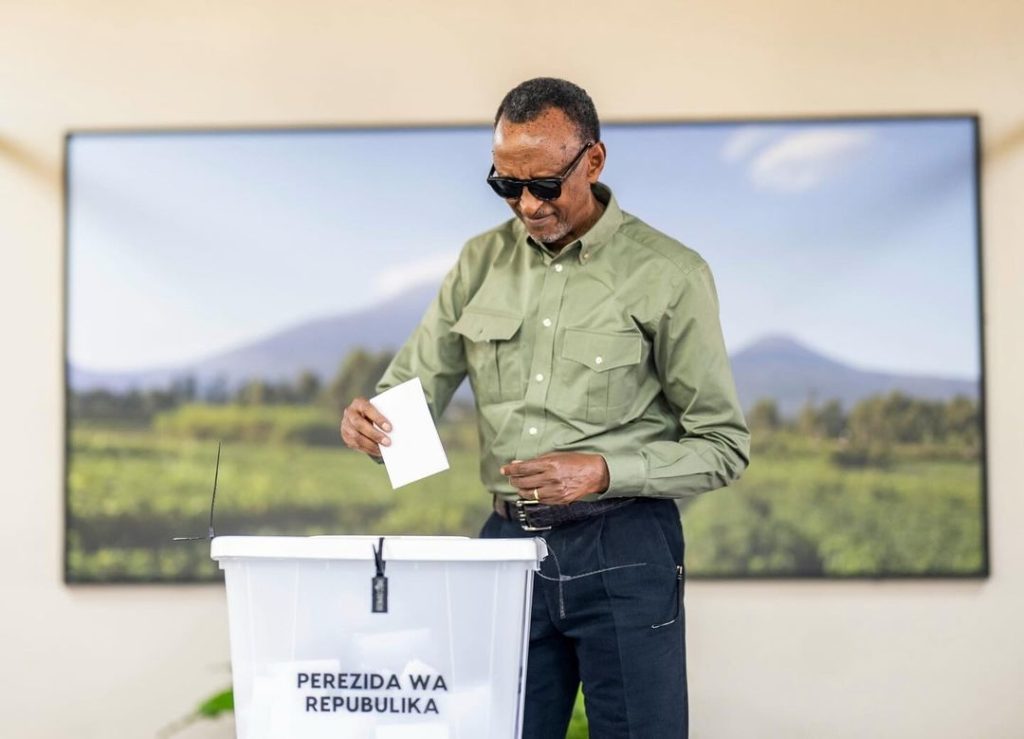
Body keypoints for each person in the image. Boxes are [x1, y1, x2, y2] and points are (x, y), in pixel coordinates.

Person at [340, 77, 750, 739]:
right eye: (506, 185)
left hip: (624, 541)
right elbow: (411, 392)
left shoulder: (671, 274)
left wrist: (601, 470)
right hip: (505, 549)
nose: (526, 205)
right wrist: (372, 424)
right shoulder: (479, 262)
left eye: (544, 185)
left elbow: (723, 446)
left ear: (593, 160)